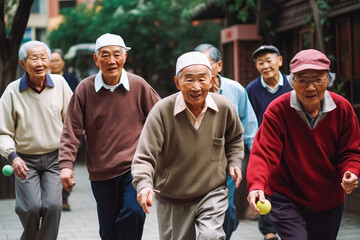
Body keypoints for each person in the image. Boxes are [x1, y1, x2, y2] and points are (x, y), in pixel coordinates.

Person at [247, 49, 360, 240]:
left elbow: (350, 150)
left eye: (317, 79)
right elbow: (264, 153)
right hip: (286, 195)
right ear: (292, 82)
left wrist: (350, 171)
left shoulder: (342, 109)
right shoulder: (277, 110)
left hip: (327, 198)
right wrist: (257, 184)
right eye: (302, 80)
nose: (310, 87)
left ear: (328, 80)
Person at [132, 51, 244, 240]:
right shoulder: (161, 111)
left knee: (210, 236)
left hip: (212, 191)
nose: (196, 87)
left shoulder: (224, 107)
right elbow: (145, 154)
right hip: (172, 196)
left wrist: (234, 161)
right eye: (189, 80)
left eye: (202, 79)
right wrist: (143, 185)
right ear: (177, 82)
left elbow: (235, 138)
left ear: (212, 80)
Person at [58, 33, 160, 240]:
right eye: (105, 55)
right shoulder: (85, 89)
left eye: (116, 54)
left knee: (133, 212)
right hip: (101, 172)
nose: (111, 60)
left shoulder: (138, 85)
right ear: (96, 60)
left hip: (135, 168)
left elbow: (161, 118)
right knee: (108, 231)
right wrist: (66, 165)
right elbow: (72, 129)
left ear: (124, 57)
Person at [0, 40, 73, 239]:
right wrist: (13, 157)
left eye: (43, 58)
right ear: (23, 64)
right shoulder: (12, 92)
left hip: (55, 158)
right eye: (34, 58)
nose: (40, 63)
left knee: (53, 206)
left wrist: (69, 155)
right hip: (24, 160)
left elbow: (72, 120)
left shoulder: (60, 84)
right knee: (31, 208)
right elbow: (2, 132)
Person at [194, 43, 258, 240]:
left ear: (219, 65)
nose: (201, 69)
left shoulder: (235, 90)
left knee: (228, 211)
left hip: (228, 161)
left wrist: (257, 162)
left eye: (206, 64)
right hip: (198, 163)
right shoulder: (191, 91)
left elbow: (250, 127)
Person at [246, 45, 292, 240]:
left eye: (269, 60)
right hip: (266, 147)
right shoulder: (252, 89)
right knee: (266, 186)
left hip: (292, 146)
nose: (265, 65)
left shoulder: (293, 83)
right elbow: (250, 119)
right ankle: (269, 232)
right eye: (260, 62)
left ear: (280, 61)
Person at [49, 48, 83, 211]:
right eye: (52, 60)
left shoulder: (71, 79)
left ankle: (64, 198)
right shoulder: (43, 79)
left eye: (57, 60)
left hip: (70, 131)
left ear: (62, 62)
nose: (54, 63)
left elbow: (79, 103)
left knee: (67, 163)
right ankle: (53, 197)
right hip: (50, 132)